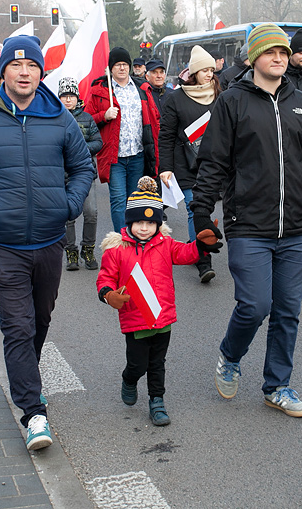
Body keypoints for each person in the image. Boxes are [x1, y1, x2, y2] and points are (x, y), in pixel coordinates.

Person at [0, 34, 93, 451]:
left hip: (49, 241)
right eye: (16, 65)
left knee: (40, 321)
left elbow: (83, 166)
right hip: (2, 244)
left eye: (32, 66)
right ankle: (33, 413)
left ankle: (27, 377)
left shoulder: (59, 117)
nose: (24, 72)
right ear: (2, 71)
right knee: (18, 326)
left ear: (41, 72)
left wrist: (68, 205)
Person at [191, 23, 302, 419]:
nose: (279, 58)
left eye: (284, 53)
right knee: (256, 305)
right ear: (253, 57)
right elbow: (214, 162)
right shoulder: (232, 102)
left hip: (294, 227)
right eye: (271, 52)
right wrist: (202, 213)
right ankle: (230, 354)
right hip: (248, 225)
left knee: (288, 311)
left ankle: (277, 386)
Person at [96, 176, 216, 427]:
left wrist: (201, 246)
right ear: (129, 222)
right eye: (138, 221)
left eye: (150, 222)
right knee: (138, 364)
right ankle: (129, 379)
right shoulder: (117, 250)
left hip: (162, 317)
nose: (144, 228)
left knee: (157, 363)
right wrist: (109, 295)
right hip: (135, 318)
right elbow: (104, 278)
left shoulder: (165, 243)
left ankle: (157, 401)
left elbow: (185, 254)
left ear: (158, 223)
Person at [158, 45, 220, 283]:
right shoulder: (176, 98)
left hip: (215, 165)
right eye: (203, 70)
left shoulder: (220, 95)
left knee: (210, 207)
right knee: (196, 209)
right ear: (193, 72)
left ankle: (196, 244)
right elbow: (166, 135)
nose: (208, 74)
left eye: (211, 70)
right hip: (186, 164)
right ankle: (204, 260)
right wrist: (165, 167)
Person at [86, 46, 161, 235]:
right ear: (111, 68)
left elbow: (153, 118)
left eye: (125, 64)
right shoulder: (100, 91)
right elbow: (86, 120)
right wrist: (104, 115)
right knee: (118, 200)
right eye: (117, 64)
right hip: (114, 157)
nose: (122, 68)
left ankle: (135, 236)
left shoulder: (141, 88)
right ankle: (122, 239)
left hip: (137, 155)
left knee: (134, 200)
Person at [58, 77, 102, 271]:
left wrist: (79, 148)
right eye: (64, 96)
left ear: (77, 97)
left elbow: (98, 143)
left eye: (71, 96)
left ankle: (88, 248)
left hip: (85, 174)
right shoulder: (53, 118)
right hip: (62, 175)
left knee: (91, 213)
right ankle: (71, 252)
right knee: (68, 216)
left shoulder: (88, 118)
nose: (68, 100)